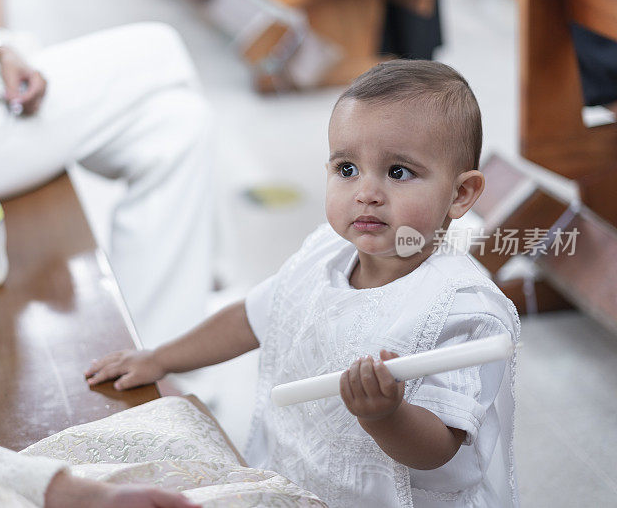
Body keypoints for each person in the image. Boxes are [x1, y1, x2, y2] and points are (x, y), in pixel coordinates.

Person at [0, 0, 324, 507]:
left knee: (179, 120)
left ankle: (155, 358)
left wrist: (71, 493)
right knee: (163, 58)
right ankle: (167, 359)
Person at [87, 60, 521, 507]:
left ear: (461, 193)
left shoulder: (463, 308)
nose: (366, 192)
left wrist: (387, 416)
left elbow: (441, 447)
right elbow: (252, 318)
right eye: (347, 168)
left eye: (398, 172)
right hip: (300, 483)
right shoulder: (324, 254)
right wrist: (160, 359)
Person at [0, 0, 213, 349]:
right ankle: (181, 333)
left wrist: (1, 45)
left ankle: (155, 354)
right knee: (162, 48)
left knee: (180, 122)